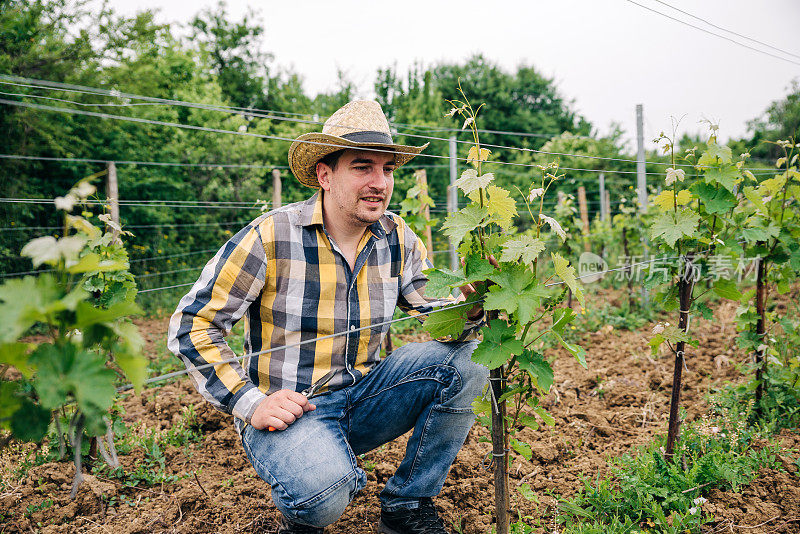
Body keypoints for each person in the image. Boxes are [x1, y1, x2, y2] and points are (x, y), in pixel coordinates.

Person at [168, 100, 489, 534]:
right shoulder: (272, 235)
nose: (380, 183)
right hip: (292, 412)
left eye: (388, 169)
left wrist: (467, 309)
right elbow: (192, 323)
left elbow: (432, 312)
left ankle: (407, 506)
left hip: (367, 396)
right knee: (323, 495)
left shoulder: (397, 237)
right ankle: (310, 498)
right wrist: (252, 403)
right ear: (325, 174)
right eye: (362, 167)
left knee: (470, 360)